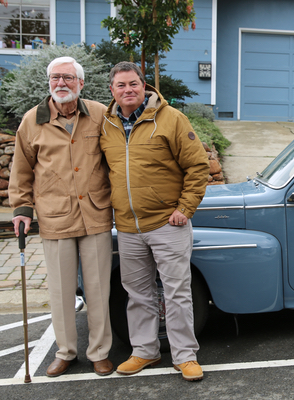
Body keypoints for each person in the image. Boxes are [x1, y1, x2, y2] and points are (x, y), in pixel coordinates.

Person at [100, 62, 210, 381]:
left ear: (144, 85)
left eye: (133, 84)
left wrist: (185, 208)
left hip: (168, 223)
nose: (128, 90)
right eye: (121, 85)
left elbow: (197, 167)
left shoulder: (171, 118)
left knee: (176, 292)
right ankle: (145, 351)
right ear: (112, 90)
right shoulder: (106, 124)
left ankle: (185, 356)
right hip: (128, 227)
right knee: (138, 293)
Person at [8, 56, 114, 377]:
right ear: (49, 83)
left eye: (68, 78)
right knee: (61, 291)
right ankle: (66, 351)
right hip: (55, 217)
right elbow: (21, 169)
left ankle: (99, 352)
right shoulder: (32, 121)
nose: (61, 84)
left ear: (81, 83)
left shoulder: (99, 114)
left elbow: (116, 160)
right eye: (55, 78)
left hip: (95, 214)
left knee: (98, 291)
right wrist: (22, 210)